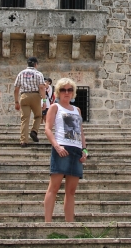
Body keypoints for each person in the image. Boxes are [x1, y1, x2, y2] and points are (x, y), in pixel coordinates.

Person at [43, 77, 87, 222]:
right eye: (63, 89)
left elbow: (80, 131)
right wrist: (57, 146)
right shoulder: (55, 107)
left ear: (73, 92)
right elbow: (47, 129)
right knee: (54, 187)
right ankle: (48, 223)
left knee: (71, 191)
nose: (66, 92)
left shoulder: (77, 110)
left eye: (70, 90)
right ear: (58, 92)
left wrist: (84, 150)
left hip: (76, 150)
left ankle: (70, 223)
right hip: (61, 148)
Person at [13, 56, 46, 147]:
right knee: (38, 115)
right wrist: (44, 100)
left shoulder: (21, 73)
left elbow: (16, 89)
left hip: (24, 96)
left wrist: (16, 102)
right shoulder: (38, 74)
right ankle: (34, 131)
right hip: (35, 95)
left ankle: (23, 141)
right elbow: (42, 87)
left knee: (25, 119)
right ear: (36, 64)